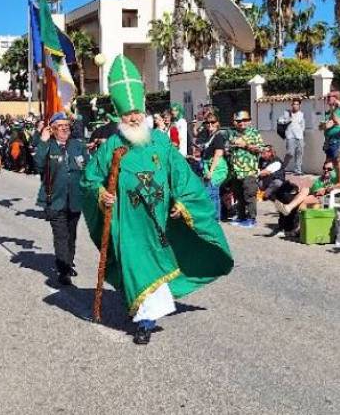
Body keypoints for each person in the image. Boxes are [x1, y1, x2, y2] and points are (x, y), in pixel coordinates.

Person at [81, 55, 233, 345]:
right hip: (128, 226)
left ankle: (143, 314)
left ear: (144, 110)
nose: (134, 117)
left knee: (157, 266)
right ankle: (144, 321)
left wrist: (182, 203)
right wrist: (102, 195)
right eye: (128, 114)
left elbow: (182, 178)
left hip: (160, 222)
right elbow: (89, 180)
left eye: (137, 111)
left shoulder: (162, 144)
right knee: (135, 265)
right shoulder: (111, 148)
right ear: (119, 115)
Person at [34, 112, 89, 286]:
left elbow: (88, 167)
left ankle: (68, 262)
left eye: (67, 126)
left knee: (71, 235)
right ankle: (63, 269)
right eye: (60, 126)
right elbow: (38, 165)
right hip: (54, 200)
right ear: (52, 129)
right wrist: (42, 141)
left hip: (75, 199)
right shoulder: (47, 146)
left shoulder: (78, 146)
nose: (65, 129)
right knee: (61, 235)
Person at [228, 110, 264, 228]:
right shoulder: (233, 133)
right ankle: (241, 216)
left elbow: (261, 149)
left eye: (244, 120)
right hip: (236, 171)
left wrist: (246, 145)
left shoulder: (254, 133)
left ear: (249, 121)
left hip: (249, 170)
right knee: (238, 195)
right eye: (239, 121)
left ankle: (252, 218)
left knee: (249, 194)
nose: (241, 123)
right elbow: (228, 148)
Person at [199, 111, 228, 221]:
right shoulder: (209, 136)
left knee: (212, 194)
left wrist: (211, 171)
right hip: (208, 165)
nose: (210, 124)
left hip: (216, 168)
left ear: (217, 123)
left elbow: (218, 154)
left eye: (212, 122)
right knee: (211, 193)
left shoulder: (218, 136)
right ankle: (214, 218)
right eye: (207, 122)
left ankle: (215, 219)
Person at [319, 91, 340, 160]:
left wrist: (326, 125)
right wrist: (325, 125)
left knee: (336, 164)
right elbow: (320, 127)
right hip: (328, 142)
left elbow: (332, 123)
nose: (327, 98)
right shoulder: (327, 113)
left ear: (336, 98)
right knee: (330, 165)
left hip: (337, 142)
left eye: (329, 97)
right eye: (326, 97)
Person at [281, 98, 305, 176]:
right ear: (291, 105)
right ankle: (282, 167)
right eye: (294, 104)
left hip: (299, 136)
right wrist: (288, 120)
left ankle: (298, 170)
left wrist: (301, 131)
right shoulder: (287, 112)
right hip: (290, 136)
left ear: (299, 106)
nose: (295, 106)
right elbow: (281, 121)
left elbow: (302, 124)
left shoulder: (301, 114)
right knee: (290, 153)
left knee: (299, 153)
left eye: (297, 104)